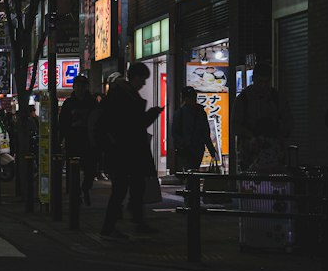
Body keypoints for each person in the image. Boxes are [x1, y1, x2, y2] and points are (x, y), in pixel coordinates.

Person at [98, 62, 162, 240]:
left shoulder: (122, 93)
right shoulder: (123, 95)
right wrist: (151, 115)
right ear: (135, 77)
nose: (143, 84)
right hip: (124, 151)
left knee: (134, 186)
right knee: (121, 189)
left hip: (125, 151)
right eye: (142, 79)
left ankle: (135, 220)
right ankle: (110, 227)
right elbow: (132, 125)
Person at [232, 62, 291, 172]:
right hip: (250, 155)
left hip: (274, 155)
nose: (263, 85)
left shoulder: (277, 97)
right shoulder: (243, 99)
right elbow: (235, 126)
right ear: (254, 78)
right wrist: (252, 136)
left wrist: (276, 133)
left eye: (266, 82)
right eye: (260, 81)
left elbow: (288, 123)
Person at [58, 74, 96, 205]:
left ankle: (85, 188)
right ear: (74, 87)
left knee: (90, 169)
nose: (80, 88)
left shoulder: (92, 102)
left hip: (89, 141)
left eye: (83, 86)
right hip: (73, 141)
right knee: (73, 171)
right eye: (78, 86)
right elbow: (62, 123)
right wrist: (61, 139)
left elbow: (97, 120)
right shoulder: (68, 103)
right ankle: (76, 195)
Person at [170, 86, 218, 174]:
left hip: (187, 149)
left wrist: (181, 144)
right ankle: (193, 187)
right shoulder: (200, 112)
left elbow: (175, 132)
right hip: (196, 148)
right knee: (194, 172)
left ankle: (191, 187)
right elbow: (205, 133)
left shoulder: (180, 113)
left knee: (191, 173)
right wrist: (211, 149)